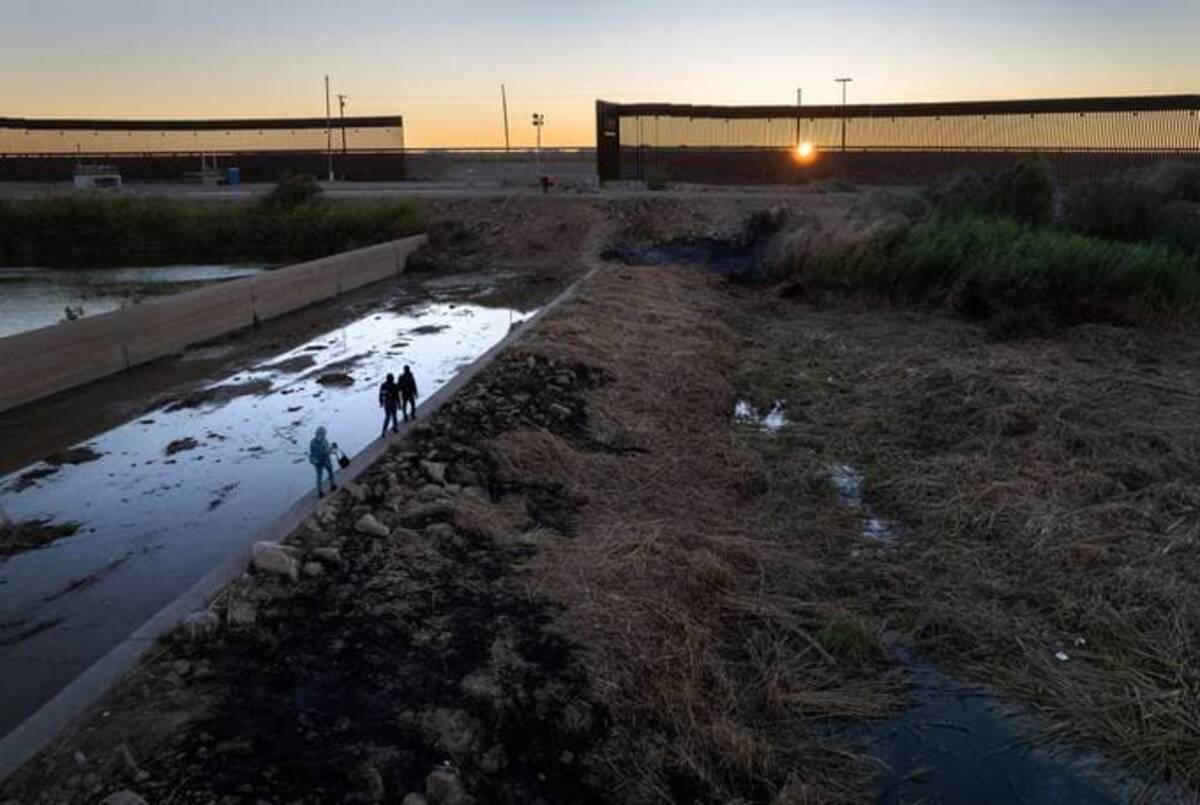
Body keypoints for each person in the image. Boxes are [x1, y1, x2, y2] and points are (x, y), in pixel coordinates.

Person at [309, 426, 338, 498]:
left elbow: (312, 452)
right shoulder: (324, 441)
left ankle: (320, 492)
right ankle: (332, 485)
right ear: (323, 434)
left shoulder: (312, 442)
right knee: (330, 472)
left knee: (319, 477)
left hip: (317, 462)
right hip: (325, 460)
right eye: (324, 433)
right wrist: (333, 448)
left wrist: (313, 460)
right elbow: (327, 452)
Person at [379, 372, 400, 437]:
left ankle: (383, 432)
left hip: (387, 403)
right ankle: (395, 428)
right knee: (394, 416)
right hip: (393, 402)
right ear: (392, 378)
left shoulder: (383, 385)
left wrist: (381, 402)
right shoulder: (394, 385)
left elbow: (381, 394)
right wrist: (399, 404)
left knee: (387, 417)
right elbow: (397, 396)